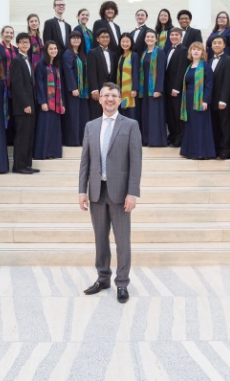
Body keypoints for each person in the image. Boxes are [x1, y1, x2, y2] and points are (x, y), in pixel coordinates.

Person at [79, 83, 142, 304]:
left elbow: (136, 162)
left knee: (122, 240)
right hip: (96, 191)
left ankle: (122, 283)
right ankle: (103, 278)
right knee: (100, 238)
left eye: (114, 96)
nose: (110, 99)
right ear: (100, 98)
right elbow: (85, 160)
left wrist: (132, 193)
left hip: (120, 192)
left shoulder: (131, 125)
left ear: (120, 99)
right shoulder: (91, 126)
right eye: (106, 95)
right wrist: (81, 191)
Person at [9, 33, 39, 174]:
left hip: (31, 104)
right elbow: (17, 85)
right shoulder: (17, 60)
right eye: (22, 42)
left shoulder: (28, 59)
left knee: (29, 135)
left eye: (27, 42)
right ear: (18, 44)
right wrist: (26, 104)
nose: (25, 44)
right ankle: (19, 166)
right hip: (23, 106)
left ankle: (27, 164)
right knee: (22, 136)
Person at [180, 42, 215, 159]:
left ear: (202, 53)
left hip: (200, 101)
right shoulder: (189, 67)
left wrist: (206, 100)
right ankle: (190, 151)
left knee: (200, 126)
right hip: (188, 101)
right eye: (193, 49)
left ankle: (201, 152)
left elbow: (209, 85)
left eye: (198, 50)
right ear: (190, 52)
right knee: (190, 126)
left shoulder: (205, 66)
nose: (196, 51)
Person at [33, 41, 65, 160]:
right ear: (46, 50)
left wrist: (62, 103)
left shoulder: (56, 64)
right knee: (44, 128)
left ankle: (52, 152)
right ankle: (42, 153)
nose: (53, 51)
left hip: (56, 102)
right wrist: (43, 102)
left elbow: (60, 85)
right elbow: (39, 84)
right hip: (46, 102)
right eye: (51, 49)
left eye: (55, 48)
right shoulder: (41, 64)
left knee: (54, 128)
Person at [139, 30, 168, 147]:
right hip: (145, 88)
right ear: (145, 39)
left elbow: (161, 71)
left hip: (155, 88)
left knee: (155, 114)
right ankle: (146, 139)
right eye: (147, 36)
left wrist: (158, 89)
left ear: (156, 39)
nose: (149, 38)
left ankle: (156, 140)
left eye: (152, 37)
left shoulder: (160, 52)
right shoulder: (144, 53)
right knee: (146, 114)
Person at [61, 31, 90, 146]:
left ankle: (80, 139)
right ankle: (72, 140)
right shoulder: (68, 54)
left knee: (82, 116)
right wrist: (73, 88)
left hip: (82, 91)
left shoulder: (80, 54)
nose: (76, 40)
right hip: (72, 91)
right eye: (73, 38)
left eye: (78, 38)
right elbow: (68, 72)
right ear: (70, 40)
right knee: (73, 116)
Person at [164, 28, 189, 147]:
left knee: (177, 114)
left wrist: (176, 88)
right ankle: (173, 136)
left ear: (181, 37)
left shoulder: (183, 50)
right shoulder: (169, 50)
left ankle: (180, 137)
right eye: (172, 35)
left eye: (176, 35)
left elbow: (181, 70)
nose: (173, 37)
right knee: (170, 114)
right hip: (167, 87)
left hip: (175, 89)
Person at [209, 37, 230, 159]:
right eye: (214, 43)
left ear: (224, 45)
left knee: (224, 126)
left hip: (222, 100)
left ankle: (225, 150)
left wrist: (223, 100)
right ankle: (216, 149)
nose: (217, 45)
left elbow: (228, 81)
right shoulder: (209, 61)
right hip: (211, 100)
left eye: (219, 43)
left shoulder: (228, 60)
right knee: (214, 125)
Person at [87, 29, 118, 120]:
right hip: (98, 89)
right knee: (97, 114)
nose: (105, 39)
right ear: (97, 39)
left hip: (110, 89)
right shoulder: (93, 53)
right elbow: (91, 72)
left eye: (107, 37)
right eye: (102, 37)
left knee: (109, 112)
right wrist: (94, 89)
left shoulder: (113, 54)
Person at [116, 33, 139, 123]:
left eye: (127, 41)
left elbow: (135, 72)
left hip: (130, 90)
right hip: (121, 89)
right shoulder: (120, 56)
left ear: (131, 43)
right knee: (122, 113)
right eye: (123, 41)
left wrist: (134, 89)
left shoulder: (134, 55)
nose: (125, 44)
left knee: (131, 114)